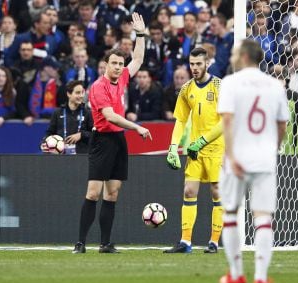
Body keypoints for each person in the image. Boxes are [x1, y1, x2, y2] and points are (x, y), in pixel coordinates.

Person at [73, 13, 152, 254]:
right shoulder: (98, 87)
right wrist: (137, 127)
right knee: (94, 192)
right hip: (102, 140)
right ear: (106, 65)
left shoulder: (123, 78)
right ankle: (80, 243)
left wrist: (140, 35)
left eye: (120, 63)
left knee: (113, 193)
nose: (119, 67)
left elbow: (137, 59)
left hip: (118, 140)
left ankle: (105, 243)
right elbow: (110, 116)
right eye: (114, 64)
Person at [217, 39, 289, 283]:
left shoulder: (230, 83)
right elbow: (282, 125)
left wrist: (232, 156)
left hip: (236, 158)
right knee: (263, 218)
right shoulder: (275, 85)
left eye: (236, 53)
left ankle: (236, 274)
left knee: (230, 213)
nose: (233, 56)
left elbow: (227, 120)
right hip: (264, 158)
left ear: (245, 56)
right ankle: (260, 277)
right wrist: (272, 148)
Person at [164, 47, 224, 254]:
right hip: (194, 150)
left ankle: (214, 242)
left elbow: (226, 121)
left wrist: (203, 141)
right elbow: (180, 120)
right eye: (192, 64)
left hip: (216, 149)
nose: (195, 67)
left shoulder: (218, 86)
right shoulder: (186, 88)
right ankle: (186, 242)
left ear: (207, 64)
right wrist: (173, 147)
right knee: (189, 191)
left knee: (217, 191)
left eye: (199, 64)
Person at [41, 80, 93, 154]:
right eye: (77, 93)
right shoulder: (57, 113)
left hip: (81, 157)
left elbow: (95, 134)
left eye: (82, 92)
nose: (81, 96)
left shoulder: (87, 113)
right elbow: (49, 133)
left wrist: (81, 135)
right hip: (61, 157)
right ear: (69, 94)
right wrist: (44, 143)